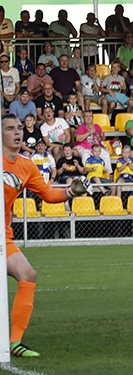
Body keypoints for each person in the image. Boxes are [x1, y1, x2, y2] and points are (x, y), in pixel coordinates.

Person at [3, 113, 88, 357]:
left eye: (19, 128)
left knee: (27, 274)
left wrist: (71, 192)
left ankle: (14, 342)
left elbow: (49, 195)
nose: (17, 132)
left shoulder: (26, 165)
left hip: (3, 237)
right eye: (10, 128)